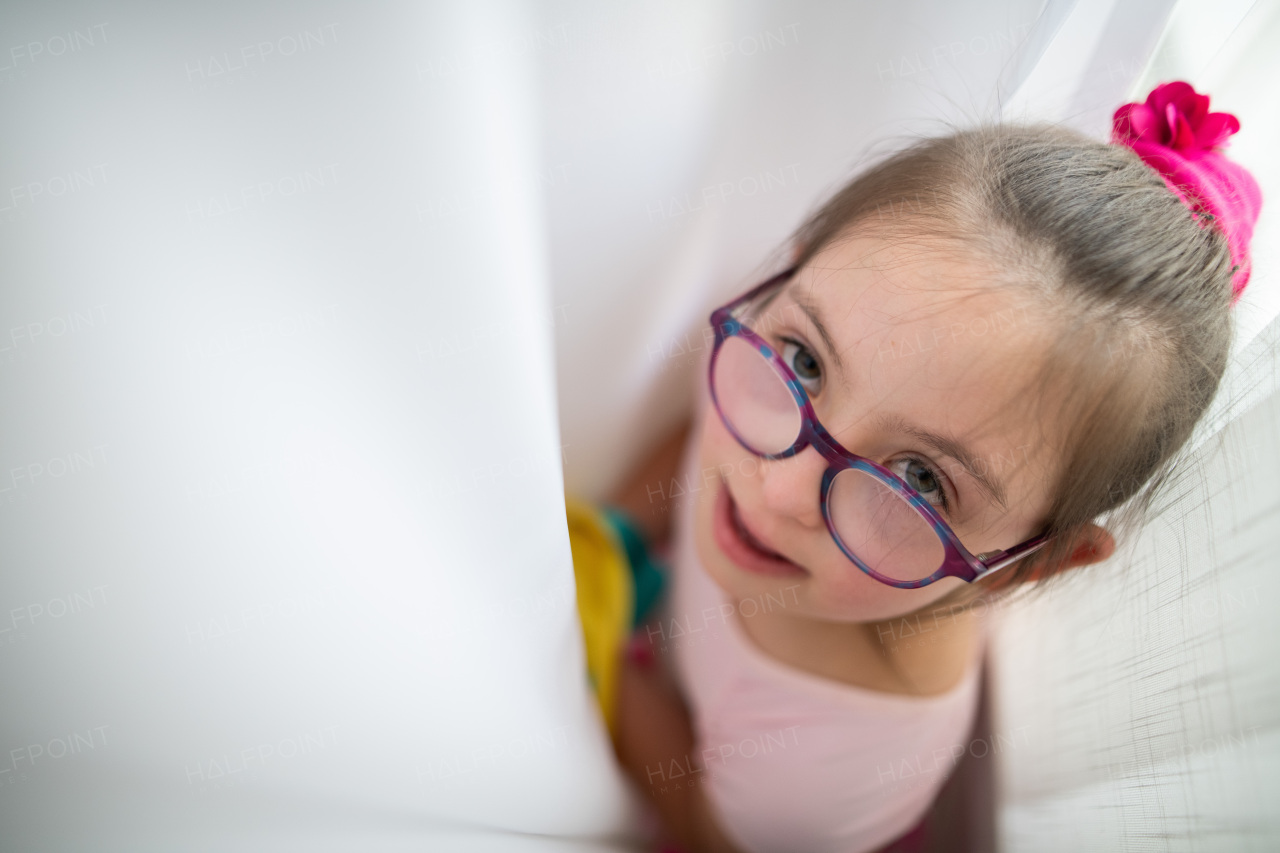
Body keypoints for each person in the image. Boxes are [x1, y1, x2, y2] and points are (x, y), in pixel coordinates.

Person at [570, 81, 1262, 853]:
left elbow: (707, 825)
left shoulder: (835, 765)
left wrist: (594, 644)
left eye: (919, 479)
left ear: (1022, 568)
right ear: (788, 275)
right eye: (806, 362)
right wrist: (615, 540)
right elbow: (698, 438)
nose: (783, 484)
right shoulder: (766, 364)